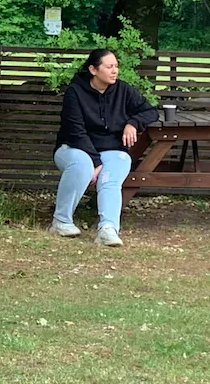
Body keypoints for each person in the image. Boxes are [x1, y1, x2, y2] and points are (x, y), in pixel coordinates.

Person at [50, 48, 158, 246]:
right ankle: (61, 221)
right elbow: (75, 131)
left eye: (116, 66)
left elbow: (151, 111)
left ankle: (108, 229)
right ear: (93, 69)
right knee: (82, 164)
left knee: (113, 172)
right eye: (109, 67)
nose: (115, 71)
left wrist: (132, 123)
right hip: (73, 148)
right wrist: (95, 161)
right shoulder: (75, 92)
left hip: (112, 150)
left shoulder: (124, 90)